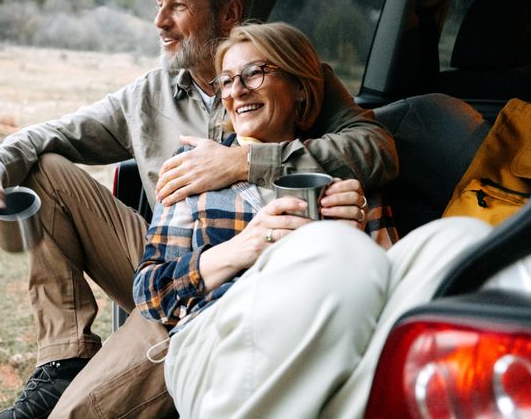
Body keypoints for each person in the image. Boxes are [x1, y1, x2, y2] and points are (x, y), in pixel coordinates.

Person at [0, 0, 398, 419]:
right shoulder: (149, 95)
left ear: (229, 14)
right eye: (158, 6)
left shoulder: (293, 78)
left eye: (178, 6)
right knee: (44, 167)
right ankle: (65, 357)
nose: (159, 22)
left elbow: (375, 149)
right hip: (166, 266)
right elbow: (51, 134)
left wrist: (244, 164)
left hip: (259, 287)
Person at [133, 22, 494, 418]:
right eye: (227, 81)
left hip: (347, 349)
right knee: (332, 248)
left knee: (458, 240)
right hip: (220, 348)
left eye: (254, 73)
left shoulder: (342, 173)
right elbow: (151, 293)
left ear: (300, 89)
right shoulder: (195, 171)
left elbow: (396, 292)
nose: (237, 90)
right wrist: (242, 248)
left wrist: (360, 239)